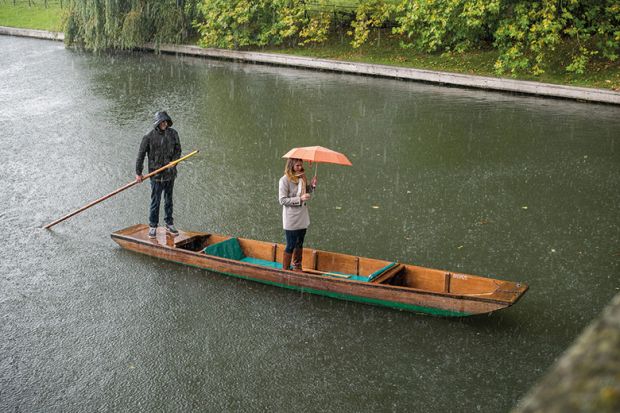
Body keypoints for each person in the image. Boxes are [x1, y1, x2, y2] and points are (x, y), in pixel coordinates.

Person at [135, 111, 182, 238]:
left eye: (166, 121)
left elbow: (178, 150)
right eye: (162, 122)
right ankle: (153, 226)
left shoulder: (173, 134)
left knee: (169, 200)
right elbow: (140, 156)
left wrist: (174, 162)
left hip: (170, 174)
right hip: (156, 176)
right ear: (157, 123)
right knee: (155, 201)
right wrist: (138, 173)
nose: (164, 124)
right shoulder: (148, 137)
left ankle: (169, 224)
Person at [278, 158, 318, 271]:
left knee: (299, 243)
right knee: (291, 244)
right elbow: (282, 200)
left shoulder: (302, 177)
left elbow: (306, 190)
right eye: (297, 166)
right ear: (291, 166)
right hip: (291, 217)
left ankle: (297, 267)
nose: (300, 167)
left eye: (301, 165)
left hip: (302, 216)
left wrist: (312, 186)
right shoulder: (284, 180)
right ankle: (285, 269)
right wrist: (299, 199)